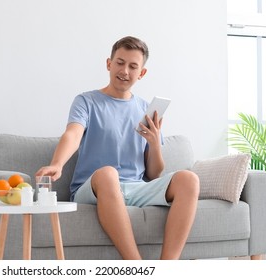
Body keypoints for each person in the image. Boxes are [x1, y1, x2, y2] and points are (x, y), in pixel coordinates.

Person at [36, 36, 200, 260]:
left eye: (133, 66)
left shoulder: (146, 109)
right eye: (120, 63)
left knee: (189, 179)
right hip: (95, 188)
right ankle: (137, 267)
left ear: (141, 73)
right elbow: (73, 134)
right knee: (108, 173)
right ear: (108, 64)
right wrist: (57, 163)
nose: (125, 71)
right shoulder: (86, 101)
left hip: (136, 188)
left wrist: (154, 143)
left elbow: (154, 174)